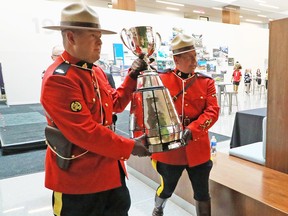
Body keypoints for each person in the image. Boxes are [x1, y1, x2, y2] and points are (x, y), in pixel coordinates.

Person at [41, 3, 150, 216]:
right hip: (78, 180)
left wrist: (132, 76)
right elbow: (85, 132)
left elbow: (115, 103)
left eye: (100, 36)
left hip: (111, 172)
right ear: (71, 37)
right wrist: (130, 146)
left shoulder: (95, 71)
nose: (100, 42)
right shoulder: (59, 78)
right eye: (94, 36)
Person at [150, 34, 220, 216]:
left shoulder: (206, 82)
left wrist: (193, 129)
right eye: (190, 57)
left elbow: (212, 111)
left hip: (198, 147)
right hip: (170, 149)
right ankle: (158, 208)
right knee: (167, 188)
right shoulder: (161, 80)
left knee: (202, 193)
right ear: (176, 59)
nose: (194, 61)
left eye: (195, 56)